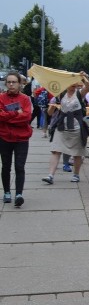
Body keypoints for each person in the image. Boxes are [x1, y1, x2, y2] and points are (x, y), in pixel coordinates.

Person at [42, 77, 89, 185]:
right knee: (55, 150)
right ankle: (50, 175)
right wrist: (51, 108)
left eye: (75, 82)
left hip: (76, 128)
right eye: (71, 82)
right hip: (61, 126)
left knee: (77, 153)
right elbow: (50, 113)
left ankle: (76, 175)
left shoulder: (79, 94)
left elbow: (87, 86)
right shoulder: (60, 94)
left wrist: (83, 77)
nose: (73, 84)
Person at [0, 72, 33, 207]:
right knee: (6, 166)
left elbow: (26, 117)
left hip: (21, 138)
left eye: (14, 82)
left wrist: (8, 118)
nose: (11, 84)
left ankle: (19, 194)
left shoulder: (25, 99)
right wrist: (14, 113)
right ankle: (7, 192)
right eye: (9, 82)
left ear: (20, 84)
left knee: (19, 166)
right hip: (4, 137)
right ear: (6, 83)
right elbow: (0, 116)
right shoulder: (1, 98)